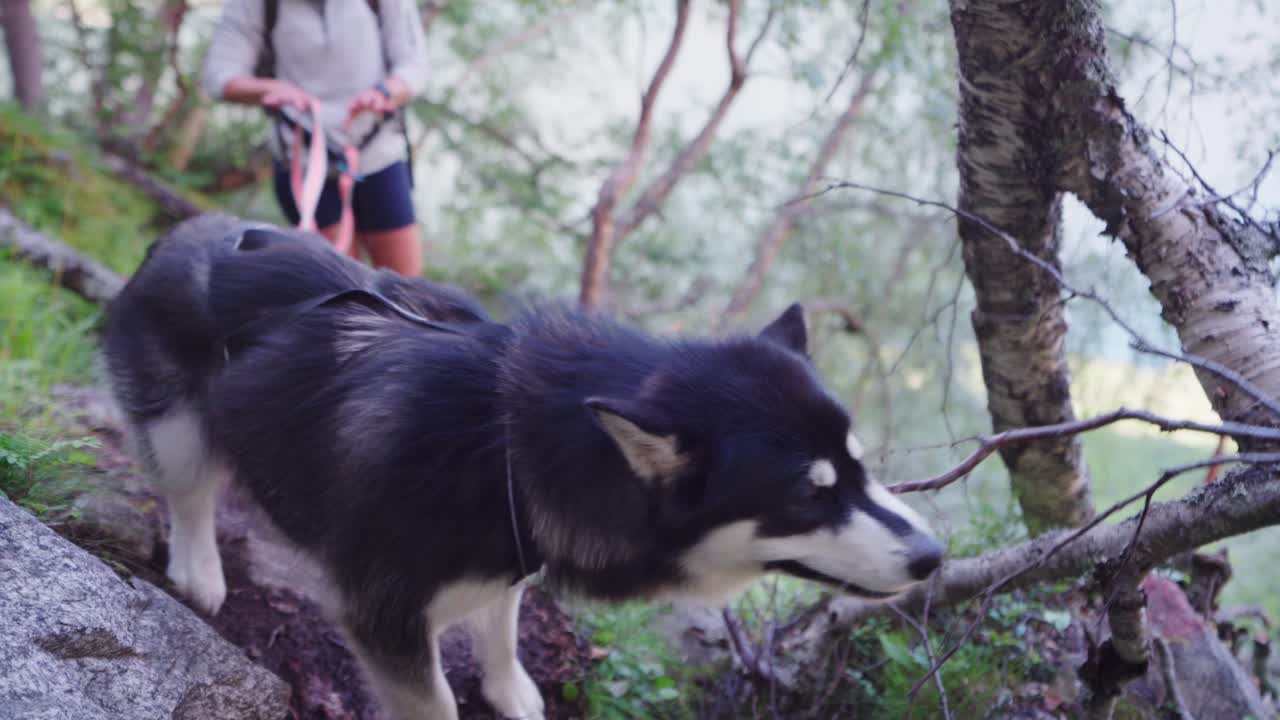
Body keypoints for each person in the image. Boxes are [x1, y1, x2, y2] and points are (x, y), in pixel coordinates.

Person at [202, 0, 428, 276]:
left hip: (378, 154)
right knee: (340, 287)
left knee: (406, 290)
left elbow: (415, 66)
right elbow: (220, 76)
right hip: (302, 161)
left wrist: (386, 91)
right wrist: (269, 88)